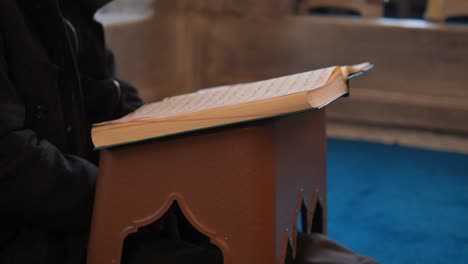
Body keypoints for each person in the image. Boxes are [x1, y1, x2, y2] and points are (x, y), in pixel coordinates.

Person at [0, 0, 378, 263]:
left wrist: (178, 123)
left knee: (274, 235)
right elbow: (15, 167)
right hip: (43, 234)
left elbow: (108, 94)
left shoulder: (66, 10)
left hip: (93, 199)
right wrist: (135, 198)